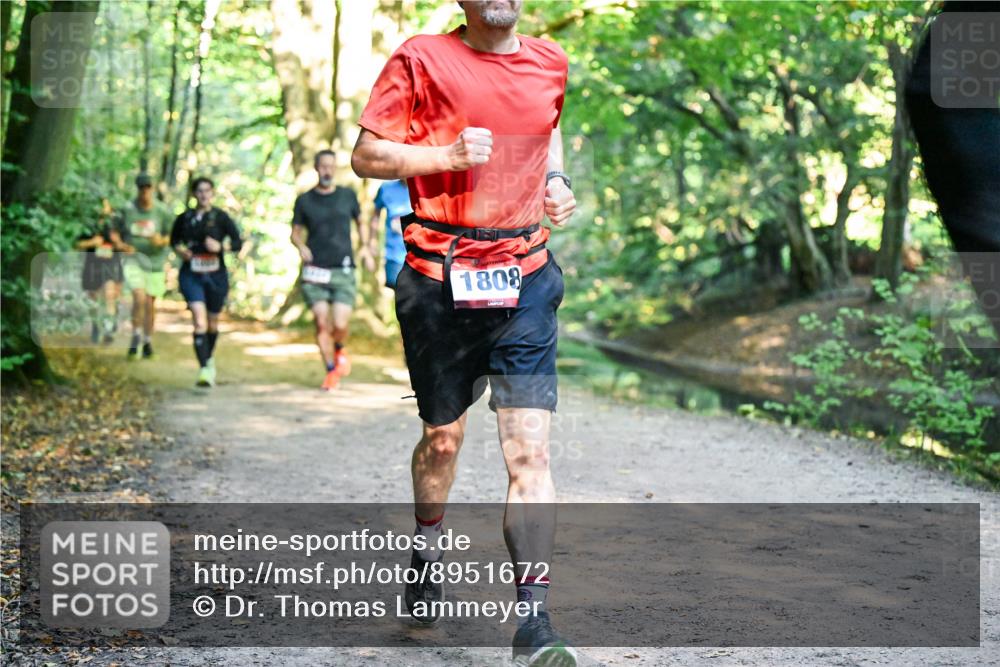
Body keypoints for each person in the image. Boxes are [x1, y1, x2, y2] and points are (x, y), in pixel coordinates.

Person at [351, 2, 576, 664]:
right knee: (443, 441)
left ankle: (533, 621)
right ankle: (426, 544)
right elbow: (365, 155)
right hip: (438, 281)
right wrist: (442, 155)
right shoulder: (421, 56)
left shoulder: (550, 61)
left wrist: (555, 181)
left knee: (529, 453)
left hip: (526, 278)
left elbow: (549, 130)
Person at [290, 149, 370, 391]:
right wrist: (300, 246)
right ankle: (330, 370)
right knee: (321, 323)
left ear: (335, 169)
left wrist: (365, 247)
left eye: (331, 166)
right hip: (315, 271)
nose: (327, 170)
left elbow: (360, 222)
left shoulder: (347, 196)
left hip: (343, 270)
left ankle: (339, 349)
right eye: (323, 166)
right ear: (316, 168)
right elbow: (294, 232)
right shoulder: (304, 200)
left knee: (340, 324)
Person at [170, 177, 243, 387]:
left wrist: (221, 247)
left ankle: (209, 360)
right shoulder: (184, 218)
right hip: (191, 274)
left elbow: (237, 242)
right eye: (199, 191)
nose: (203, 195)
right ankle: (204, 368)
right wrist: (180, 251)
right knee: (199, 320)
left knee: (212, 322)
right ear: (194, 194)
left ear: (212, 193)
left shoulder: (221, 218)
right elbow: (174, 241)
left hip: (216, 275)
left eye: (207, 191)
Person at [119, 173, 175, 359]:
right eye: (142, 187)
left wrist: (161, 241)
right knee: (138, 297)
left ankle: (147, 341)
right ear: (137, 188)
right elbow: (115, 233)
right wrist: (122, 245)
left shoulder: (162, 212)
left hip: (155, 263)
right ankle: (135, 339)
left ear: (152, 188)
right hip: (134, 261)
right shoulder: (128, 210)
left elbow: (172, 236)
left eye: (148, 187)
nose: (145, 191)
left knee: (150, 304)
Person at [77, 198, 126, 344]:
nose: (103, 209)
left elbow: (128, 247)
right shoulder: (89, 225)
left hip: (111, 267)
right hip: (92, 267)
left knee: (109, 296)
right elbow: (76, 244)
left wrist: (117, 242)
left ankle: (109, 328)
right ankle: (96, 326)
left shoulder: (118, 224)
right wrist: (91, 243)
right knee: (93, 300)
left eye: (105, 206)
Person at [371, 179, 411, 289]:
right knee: (400, 293)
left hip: (420, 255)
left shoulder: (425, 187)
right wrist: (373, 241)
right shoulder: (386, 188)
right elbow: (375, 214)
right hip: (394, 256)